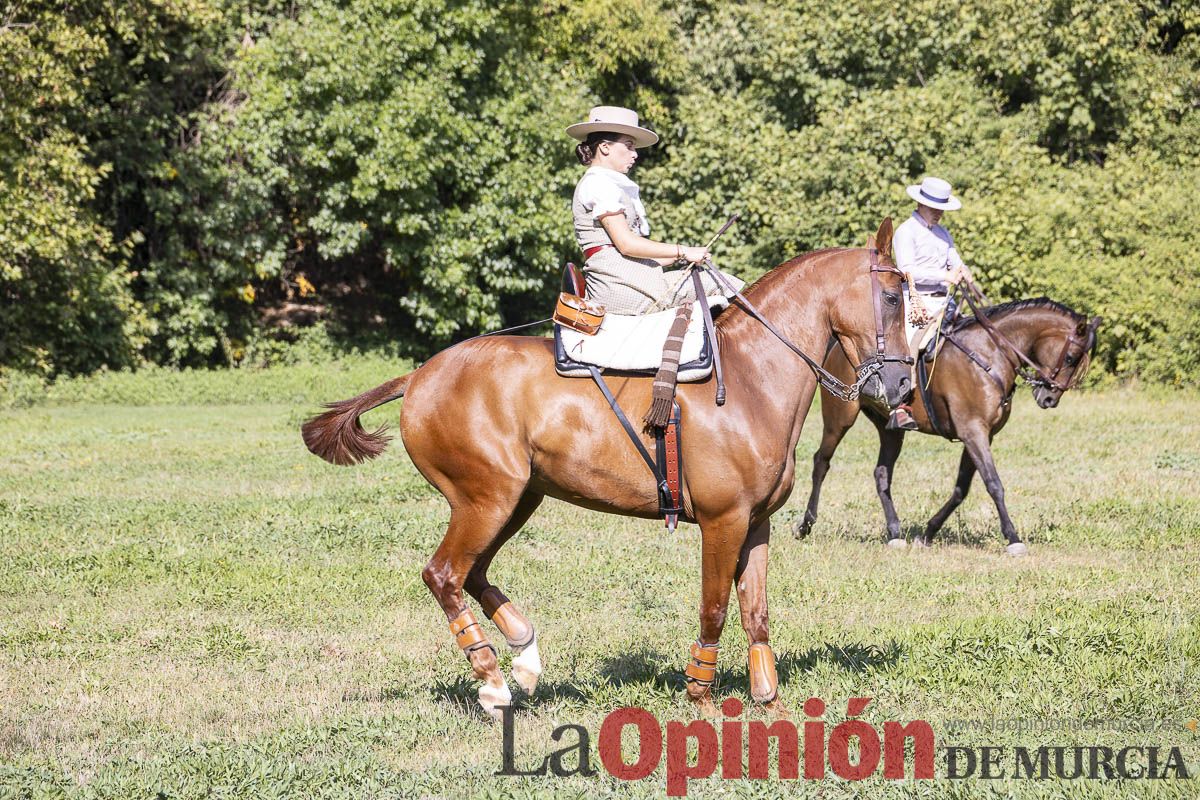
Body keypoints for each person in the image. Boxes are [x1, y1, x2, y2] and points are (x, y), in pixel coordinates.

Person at [566, 106, 744, 314]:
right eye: (629, 146)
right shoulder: (598, 183)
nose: (635, 155)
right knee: (722, 283)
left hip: (631, 281)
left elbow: (636, 257)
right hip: (621, 288)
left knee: (708, 280)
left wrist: (684, 256)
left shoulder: (606, 183)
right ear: (605, 147)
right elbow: (626, 244)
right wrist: (683, 250)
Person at [887, 176, 973, 431]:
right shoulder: (906, 232)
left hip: (944, 300)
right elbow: (907, 269)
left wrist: (963, 271)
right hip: (916, 301)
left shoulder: (942, 233)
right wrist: (944, 276)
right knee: (911, 346)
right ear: (921, 204)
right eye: (935, 208)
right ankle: (901, 405)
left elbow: (954, 259)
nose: (939, 214)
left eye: (941, 209)